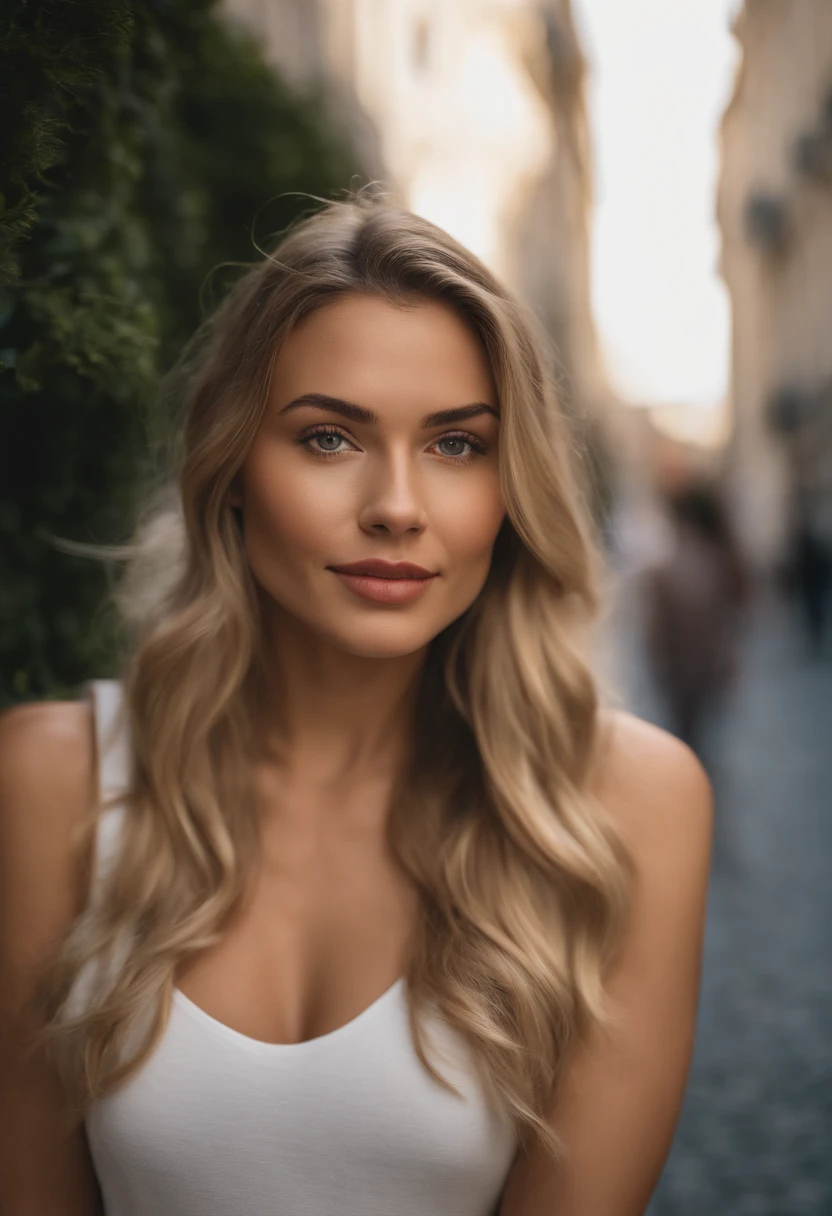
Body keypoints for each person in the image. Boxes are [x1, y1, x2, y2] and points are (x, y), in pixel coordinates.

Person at [0, 196, 712, 1216]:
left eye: (456, 445)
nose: (396, 504)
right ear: (234, 464)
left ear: (513, 491)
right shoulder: (48, 782)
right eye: (329, 438)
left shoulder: (622, 807)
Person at [643, 480, 750, 753]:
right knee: (691, 724)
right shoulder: (714, 560)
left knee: (690, 724)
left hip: (691, 661)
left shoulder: (674, 567)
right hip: (695, 660)